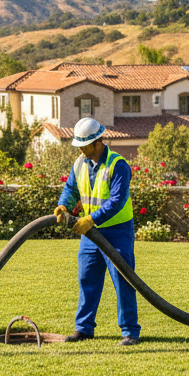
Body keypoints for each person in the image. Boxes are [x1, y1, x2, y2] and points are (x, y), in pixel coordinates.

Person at [53, 117, 140, 345]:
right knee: (87, 278)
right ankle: (83, 329)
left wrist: (90, 219)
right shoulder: (80, 163)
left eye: (84, 144)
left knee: (124, 280)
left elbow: (117, 201)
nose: (80, 149)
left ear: (98, 142)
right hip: (90, 233)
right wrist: (64, 205)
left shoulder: (117, 164)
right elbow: (71, 188)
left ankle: (130, 332)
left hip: (117, 231)